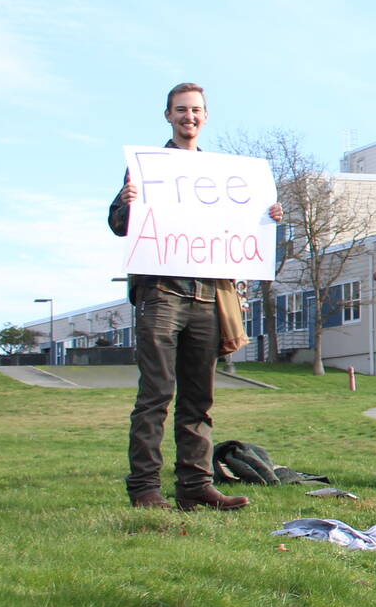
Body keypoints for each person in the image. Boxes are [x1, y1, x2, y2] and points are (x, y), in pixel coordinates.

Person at [108, 82, 282, 511]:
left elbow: (241, 228)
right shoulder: (146, 168)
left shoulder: (226, 177)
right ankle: (145, 489)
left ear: (205, 117)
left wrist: (267, 215)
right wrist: (127, 202)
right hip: (162, 294)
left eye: (197, 110)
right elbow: (117, 223)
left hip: (208, 296)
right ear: (167, 115)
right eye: (181, 110)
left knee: (199, 399)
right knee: (155, 396)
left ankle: (194, 487)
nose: (189, 117)